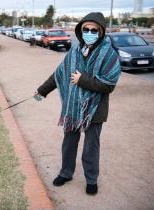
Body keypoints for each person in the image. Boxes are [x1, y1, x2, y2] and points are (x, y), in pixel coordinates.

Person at [34, 12, 121, 195]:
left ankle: (91, 179)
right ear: (81, 31)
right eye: (86, 29)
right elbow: (59, 74)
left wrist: (83, 80)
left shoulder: (109, 54)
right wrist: (42, 91)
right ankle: (66, 173)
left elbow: (108, 85)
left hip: (95, 108)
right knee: (69, 143)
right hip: (73, 107)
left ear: (101, 32)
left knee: (91, 147)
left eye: (93, 30)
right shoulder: (74, 51)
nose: (89, 32)